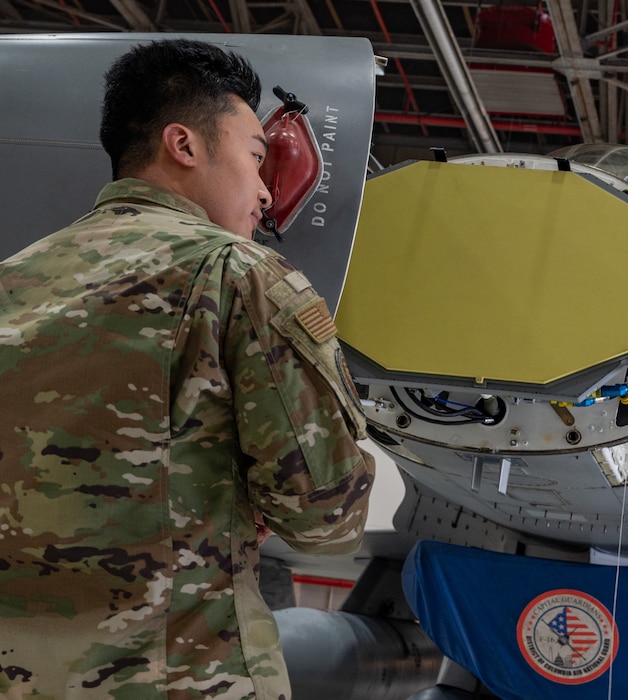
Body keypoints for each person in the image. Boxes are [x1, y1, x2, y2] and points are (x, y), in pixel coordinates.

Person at [0, 38, 375, 697]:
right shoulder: (239, 275)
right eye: (256, 157)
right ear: (185, 144)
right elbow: (327, 518)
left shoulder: (12, 283)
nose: (264, 190)